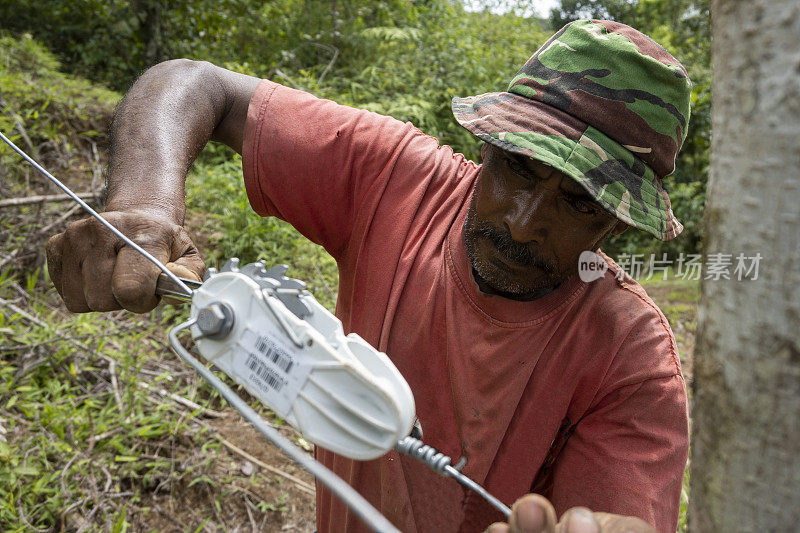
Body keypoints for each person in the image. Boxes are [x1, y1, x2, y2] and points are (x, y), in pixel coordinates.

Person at [46, 19, 690, 533]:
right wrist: (144, 205)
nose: (523, 225)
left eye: (579, 202)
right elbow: (194, 83)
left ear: (616, 223)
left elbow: (611, 521)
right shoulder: (399, 183)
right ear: (486, 146)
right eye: (518, 169)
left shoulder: (629, 359)